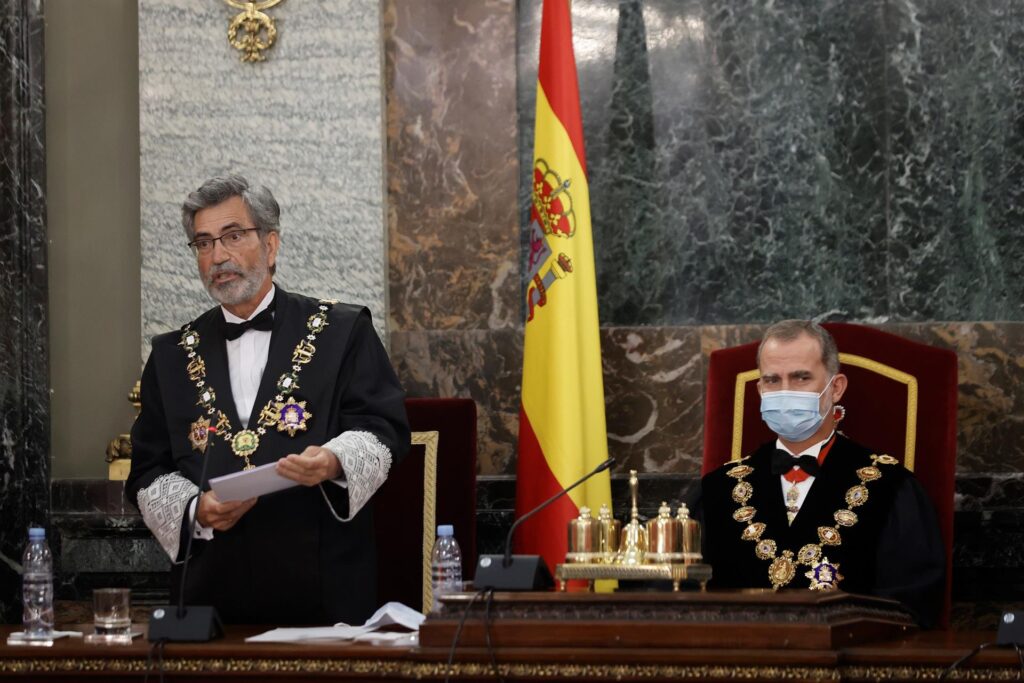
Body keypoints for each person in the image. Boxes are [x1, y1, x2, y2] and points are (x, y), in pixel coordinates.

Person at [127, 174, 409, 625]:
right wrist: (195, 508)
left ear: (271, 245)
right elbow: (147, 469)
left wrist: (333, 461)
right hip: (210, 599)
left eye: (233, 236)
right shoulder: (170, 355)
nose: (218, 255)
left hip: (323, 591)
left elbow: (385, 428)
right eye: (203, 243)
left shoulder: (343, 331)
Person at [695, 320, 945, 627]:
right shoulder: (718, 490)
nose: (785, 392)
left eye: (801, 377)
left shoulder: (891, 488)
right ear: (760, 390)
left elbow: (910, 607)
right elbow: (681, 603)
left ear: (836, 387)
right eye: (773, 380)